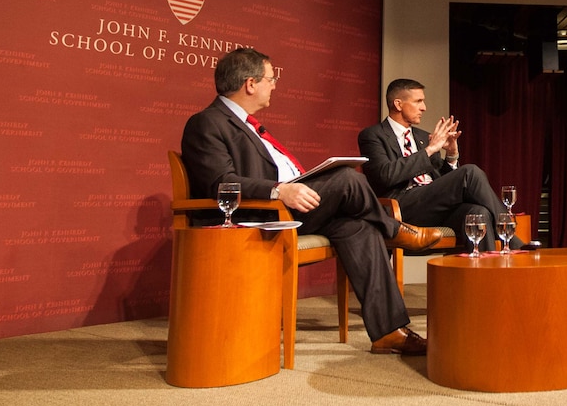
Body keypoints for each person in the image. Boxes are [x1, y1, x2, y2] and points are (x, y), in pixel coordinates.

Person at [181, 48, 440, 355]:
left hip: (292, 206)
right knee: (348, 178)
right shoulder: (208, 123)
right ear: (250, 84)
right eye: (270, 78)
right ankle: (395, 231)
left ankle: (388, 331)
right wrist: (279, 190)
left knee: (356, 225)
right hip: (261, 213)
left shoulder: (250, 125)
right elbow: (220, 182)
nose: (274, 85)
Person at [358, 77, 522, 252]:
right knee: (470, 172)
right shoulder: (373, 136)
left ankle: (483, 277)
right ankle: (511, 239)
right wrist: (429, 151)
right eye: (418, 101)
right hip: (402, 207)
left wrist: (451, 156)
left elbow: (446, 183)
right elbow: (385, 175)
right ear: (398, 104)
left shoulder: (422, 137)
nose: (424, 108)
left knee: (477, 213)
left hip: (433, 206)